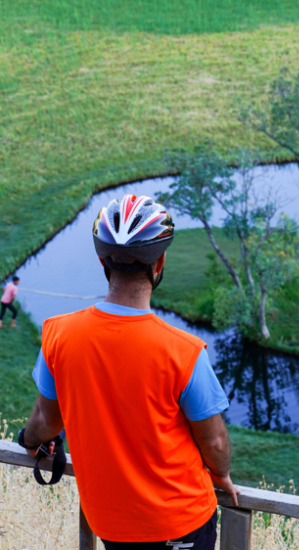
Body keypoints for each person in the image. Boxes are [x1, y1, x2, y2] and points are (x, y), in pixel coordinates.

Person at [17, 194, 239, 549]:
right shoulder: (184, 351)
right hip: (179, 522)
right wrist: (222, 473)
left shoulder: (57, 334)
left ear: (103, 260)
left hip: (110, 523)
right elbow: (213, 440)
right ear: (160, 262)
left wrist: (27, 441)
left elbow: (47, 420)